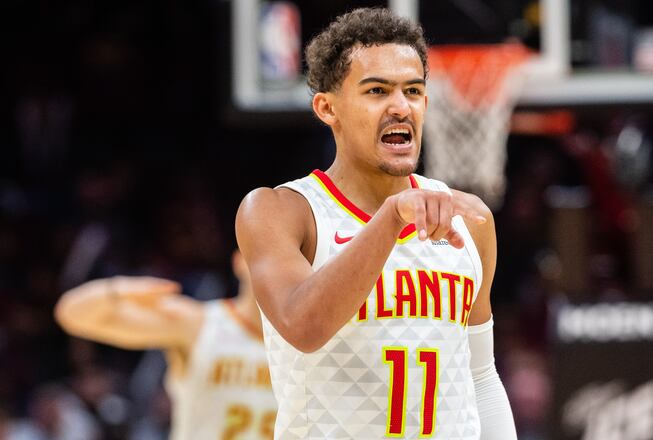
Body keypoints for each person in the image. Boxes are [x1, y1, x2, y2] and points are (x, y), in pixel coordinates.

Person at [235, 7, 516, 439]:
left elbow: (481, 376)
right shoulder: (282, 211)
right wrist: (390, 218)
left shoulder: (469, 221)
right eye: (377, 90)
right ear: (328, 108)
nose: (401, 107)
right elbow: (303, 327)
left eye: (414, 90)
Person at [54, 251, 277, 440]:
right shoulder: (199, 323)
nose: (273, 269)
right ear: (239, 260)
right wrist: (119, 288)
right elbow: (71, 314)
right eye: (266, 254)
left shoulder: (306, 346)